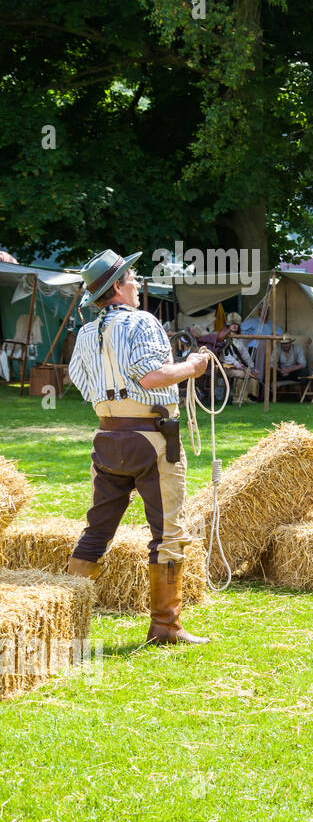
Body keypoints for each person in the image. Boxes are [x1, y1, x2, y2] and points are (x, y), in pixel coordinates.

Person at [65, 248, 214, 645]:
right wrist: (193, 367)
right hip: (151, 438)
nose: (137, 283)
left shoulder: (84, 333)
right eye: (132, 278)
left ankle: (63, 618)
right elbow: (152, 377)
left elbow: (79, 381)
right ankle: (166, 625)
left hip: (107, 438)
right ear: (116, 287)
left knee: (97, 530)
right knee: (167, 533)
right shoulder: (142, 321)